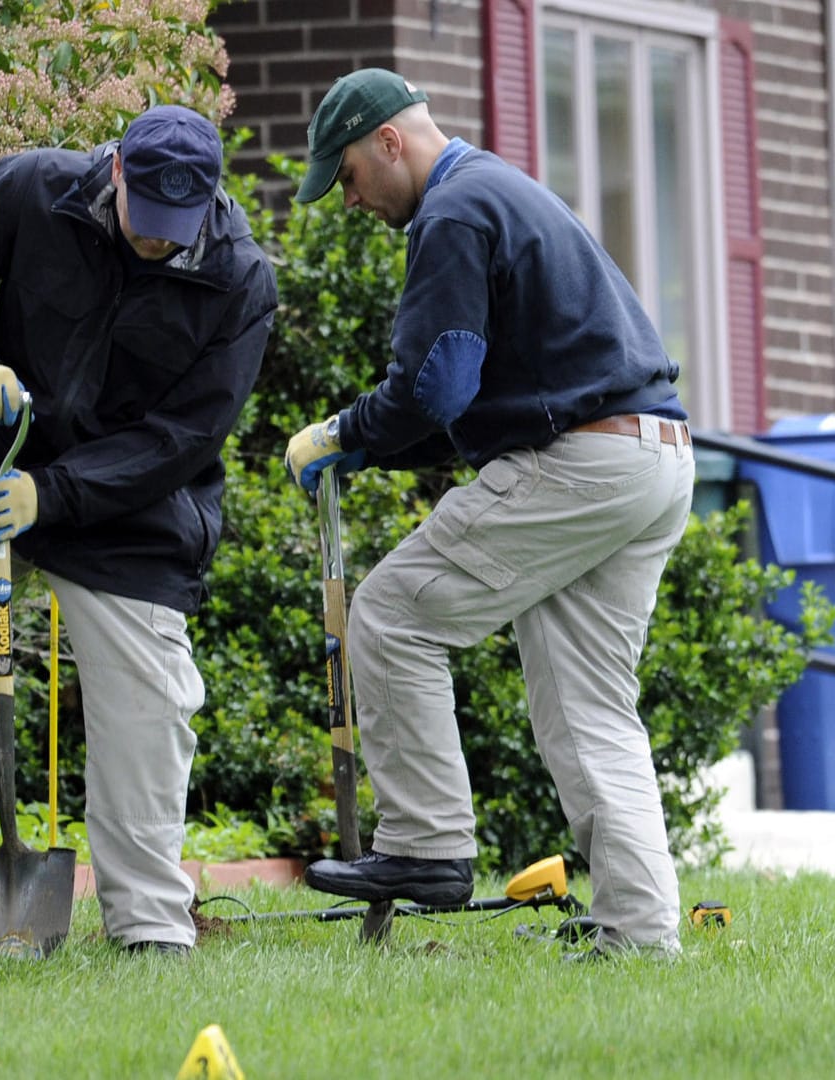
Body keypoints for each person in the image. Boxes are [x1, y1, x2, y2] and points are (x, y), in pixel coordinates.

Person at [281, 69, 695, 958]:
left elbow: (435, 385)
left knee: (391, 614)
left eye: (347, 175)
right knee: (590, 710)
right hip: (652, 457)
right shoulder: (499, 189)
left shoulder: (454, 211)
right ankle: (639, 933)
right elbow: (469, 398)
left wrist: (343, 430)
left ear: (389, 141)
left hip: (581, 460)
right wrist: (372, 442)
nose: (349, 199)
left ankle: (426, 847)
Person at [0, 105, 277, 954]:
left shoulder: (238, 279)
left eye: (177, 228)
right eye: (145, 221)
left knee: (151, 707)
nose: (157, 243)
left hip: (132, 512)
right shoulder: (29, 189)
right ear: (115, 168)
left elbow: (184, 437)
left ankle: (152, 925)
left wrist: (52, 496)